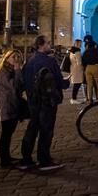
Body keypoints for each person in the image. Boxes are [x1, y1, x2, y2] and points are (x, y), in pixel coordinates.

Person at [18, 35, 68, 171]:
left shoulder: (29, 61)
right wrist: (66, 83)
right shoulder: (49, 61)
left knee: (32, 129)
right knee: (46, 131)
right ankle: (44, 160)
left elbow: (23, 81)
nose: (50, 45)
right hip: (47, 101)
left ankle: (26, 158)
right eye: (48, 43)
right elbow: (59, 81)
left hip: (33, 101)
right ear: (42, 45)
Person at [0, 49, 24, 168]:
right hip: (6, 105)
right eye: (13, 57)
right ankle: (4, 160)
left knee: (9, 133)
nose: (15, 59)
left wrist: (17, 71)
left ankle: (7, 157)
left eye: (17, 57)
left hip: (13, 104)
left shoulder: (11, 70)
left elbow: (21, 83)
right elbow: (14, 87)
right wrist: (17, 70)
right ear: (7, 58)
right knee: (5, 134)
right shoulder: (2, 72)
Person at [68, 39, 84, 105]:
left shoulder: (71, 51)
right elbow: (79, 62)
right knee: (77, 84)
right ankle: (73, 99)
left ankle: (74, 98)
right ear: (77, 44)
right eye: (80, 43)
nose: (81, 45)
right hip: (78, 70)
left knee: (76, 84)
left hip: (73, 68)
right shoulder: (77, 51)